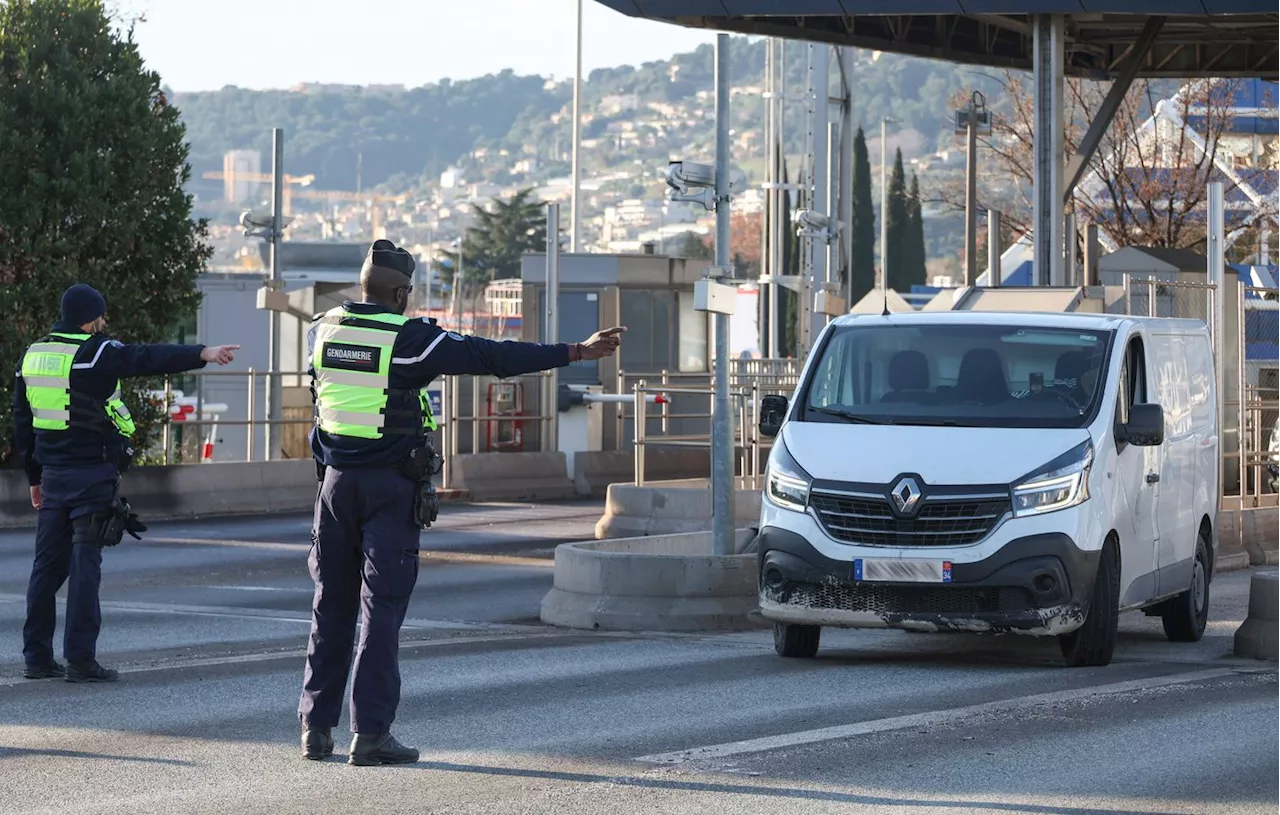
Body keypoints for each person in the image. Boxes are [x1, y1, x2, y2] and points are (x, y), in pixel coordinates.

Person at [299, 239, 624, 766]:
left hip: (333, 487)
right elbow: (490, 355)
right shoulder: (410, 341)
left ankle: (316, 729)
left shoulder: (321, 328)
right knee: (379, 610)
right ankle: (371, 735)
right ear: (402, 292)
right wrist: (575, 352)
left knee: (328, 605)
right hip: (388, 488)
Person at [12, 283, 240, 683]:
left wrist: (34, 478)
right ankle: (81, 660)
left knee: (45, 569)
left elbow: (23, 426)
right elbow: (146, 356)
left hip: (52, 477)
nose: (103, 323)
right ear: (89, 318)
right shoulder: (95, 352)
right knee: (85, 566)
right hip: (91, 475)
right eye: (100, 316)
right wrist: (201, 354)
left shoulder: (33, 356)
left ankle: (37, 657)